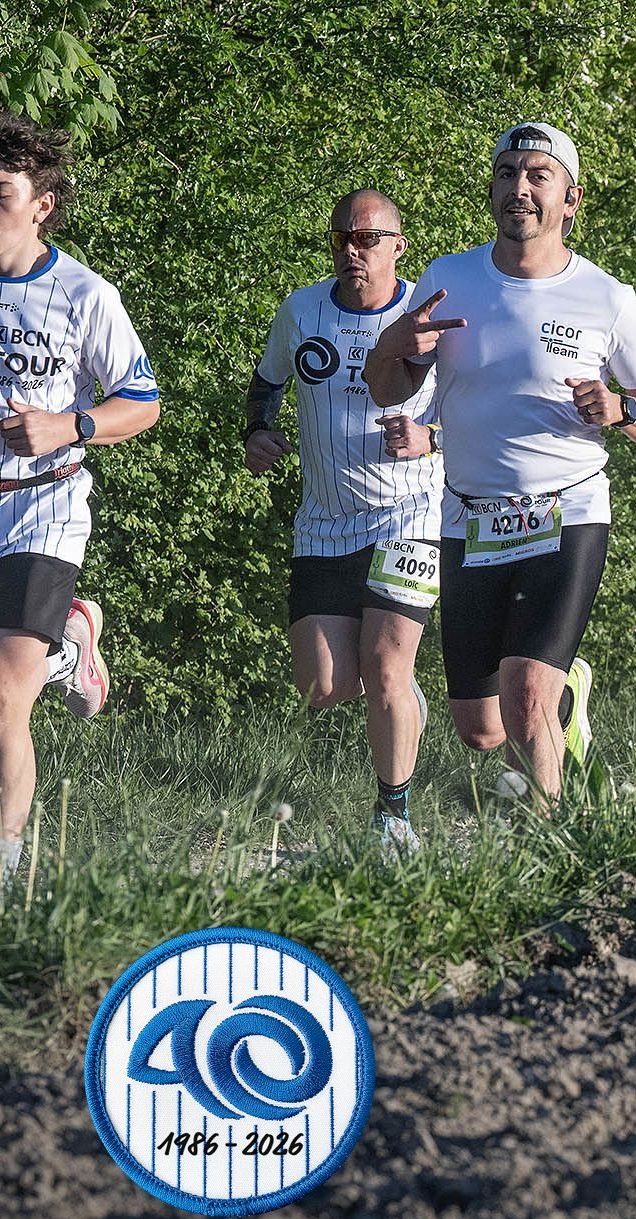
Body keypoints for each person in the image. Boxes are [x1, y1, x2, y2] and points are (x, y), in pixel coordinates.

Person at [364, 122, 636, 800]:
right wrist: (394, 343)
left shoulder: (606, 297)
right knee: (481, 726)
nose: (521, 188)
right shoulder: (449, 279)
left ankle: (549, 841)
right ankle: (570, 704)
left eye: (539, 176)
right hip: (470, 516)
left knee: (526, 693)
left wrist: (622, 407)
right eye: (508, 173)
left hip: (566, 509)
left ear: (571, 199)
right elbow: (388, 387)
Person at [0, 114, 160, 879]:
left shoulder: (83, 294)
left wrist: (68, 425)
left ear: (41, 204)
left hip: (42, 505)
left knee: (2, 693)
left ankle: (1, 872)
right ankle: (67, 648)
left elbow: (143, 402)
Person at [246, 189, 443, 849]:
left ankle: (393, 818)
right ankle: (404, 701)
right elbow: (268, 381)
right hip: (324, 522)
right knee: (324, 686)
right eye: (341, 239)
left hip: (410, 514)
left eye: (366, 239)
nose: (351, 251)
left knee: (384, 665)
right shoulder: (301, 310)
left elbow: (483, 410)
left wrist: (433, 437)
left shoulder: (428, 316)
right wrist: (257, 432)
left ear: (397, 246)